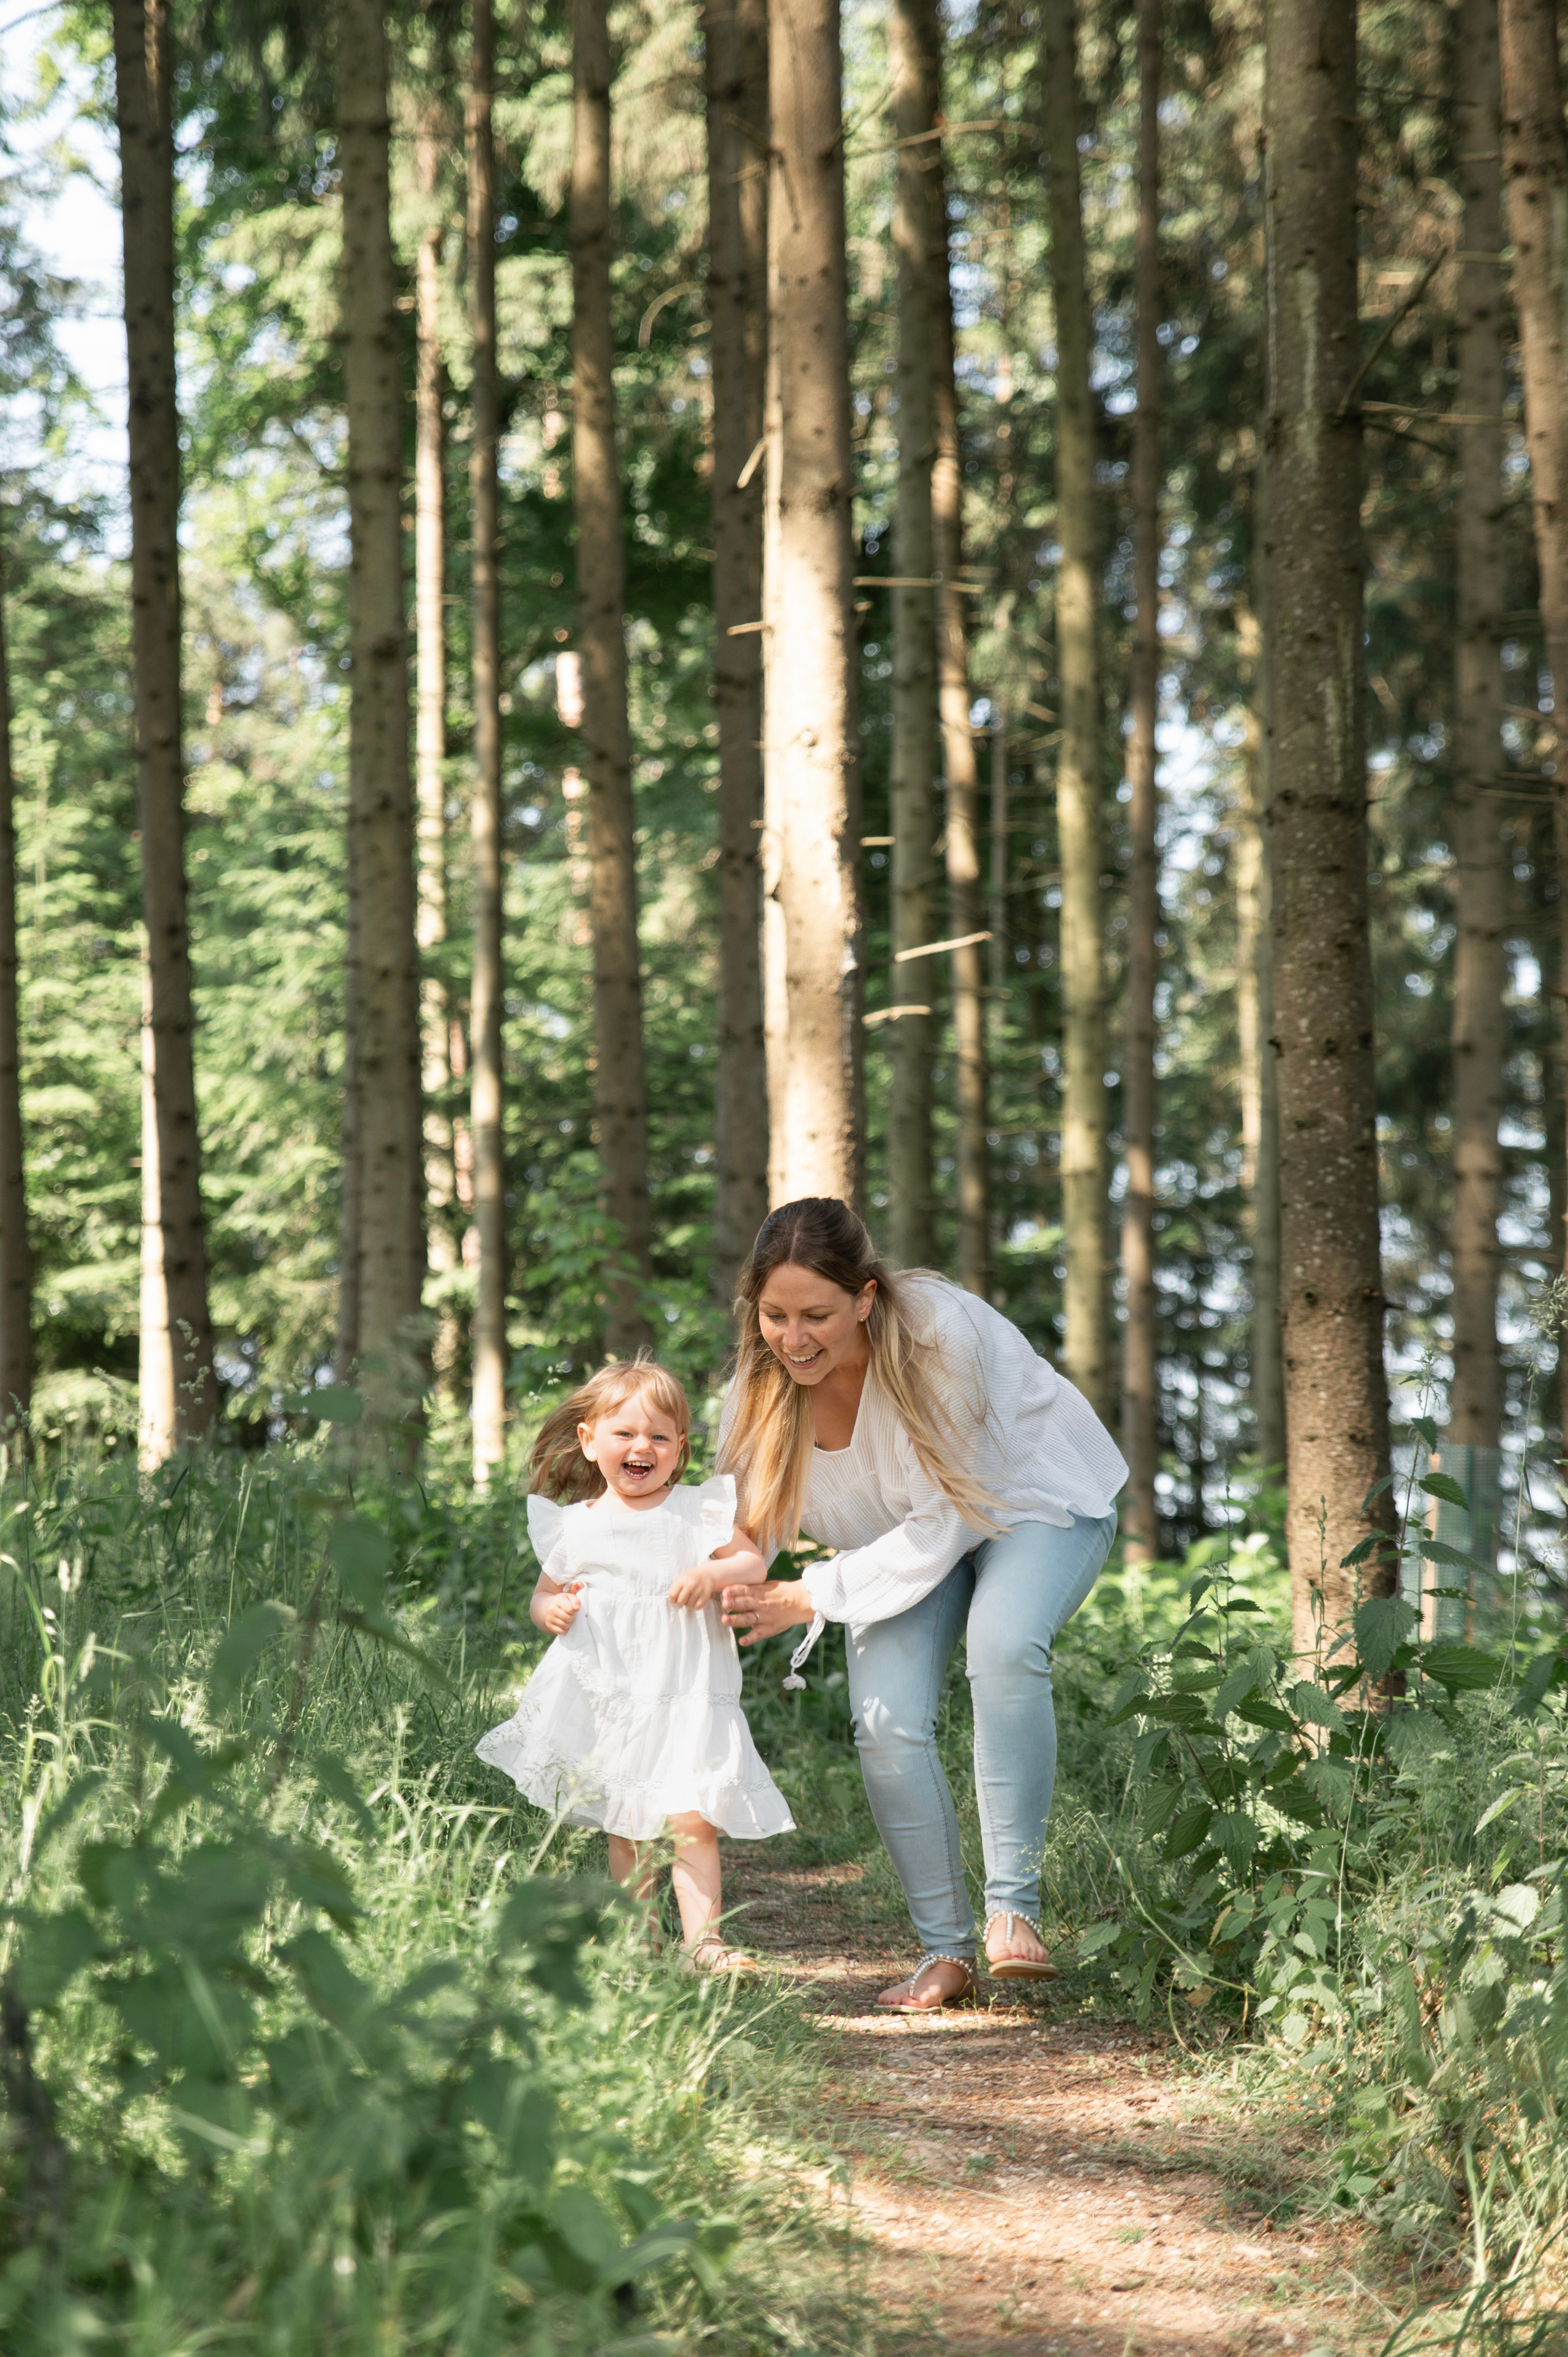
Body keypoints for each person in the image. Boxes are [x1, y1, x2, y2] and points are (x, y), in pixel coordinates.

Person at [716, 1198, 1125, 2012]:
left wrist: (811, 1593)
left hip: (1028, 1503)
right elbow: (747, 1529)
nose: (794, 1337)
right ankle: (947, 1951)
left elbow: (947, 1514)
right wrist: (704, 1580)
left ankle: (1015, 1913)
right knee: (884, 1717)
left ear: (866, 1296)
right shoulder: (759, 1395)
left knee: (1004, 1644)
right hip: (904, 1543)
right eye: (775, 1314)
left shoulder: (943, 1339)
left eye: (817, 1315)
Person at [477, 1354, 794, 1970]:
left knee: (692, 1817)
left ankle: (703, 1942)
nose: (640, 1446)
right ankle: (639, 1936)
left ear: (679, 1447)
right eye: (624, 1434)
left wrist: (710, 1571)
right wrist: (552, 1614)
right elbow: (543, 1594)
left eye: (657, 1435)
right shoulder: (578, 1527)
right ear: (590, 1443)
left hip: (686, 1691)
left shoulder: (695, 1511)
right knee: (628, 1822)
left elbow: (752, 1563)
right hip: (616, 1697)